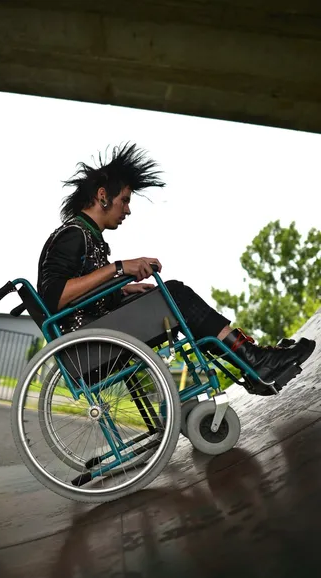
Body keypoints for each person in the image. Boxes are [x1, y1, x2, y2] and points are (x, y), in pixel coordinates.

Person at [37, 143, 315, 392]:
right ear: (102, 196)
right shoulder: (72, 235)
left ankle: (252, 362)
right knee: (175, 294)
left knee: (169, 296)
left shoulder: (87, 235)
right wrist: (119, 268)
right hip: (87, 345)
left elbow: (83, 296)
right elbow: (55, 297)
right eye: (125, 200)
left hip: (95, 335)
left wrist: (124, 291)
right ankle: (254, 359)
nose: (128, 210)